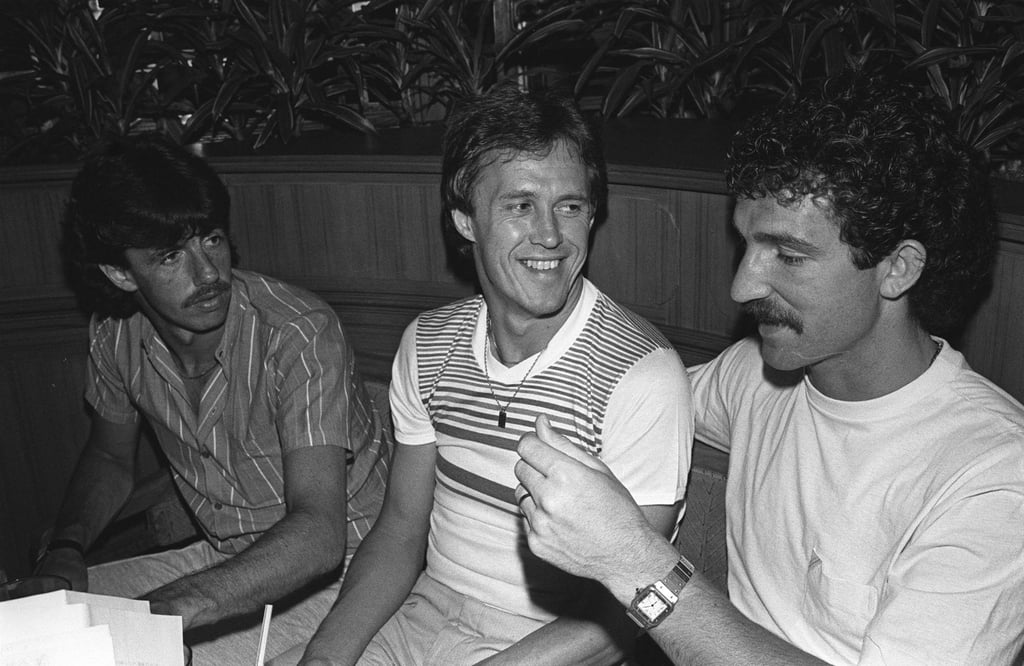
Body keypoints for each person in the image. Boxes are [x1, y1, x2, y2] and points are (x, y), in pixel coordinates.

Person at [514, 73, 1024, 665]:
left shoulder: (993, 479)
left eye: (788, 255)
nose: (742, 285)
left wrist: (633, 561)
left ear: (898, 269)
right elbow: (625, 401)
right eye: (746, 246)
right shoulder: (754, 375)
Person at [285, 85, 692, 665]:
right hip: (423, 612)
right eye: (520, 205)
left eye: (571, 206)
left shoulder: (641, 374)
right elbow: (401, 531)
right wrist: (326, 655)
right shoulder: (427, 346)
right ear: (465, 220)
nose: (550, 235)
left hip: (552, 647)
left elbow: (641, 602)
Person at [35, 135, 392, 665]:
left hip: (351, 579)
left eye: (212, 240)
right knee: (33, 632)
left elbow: (320, 535)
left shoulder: (297, 333)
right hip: (223, 560)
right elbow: (110, 458)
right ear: (119, 273)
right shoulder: (115, 334)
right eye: (171, 256)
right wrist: (67, 546)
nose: (207, 275)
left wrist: (166, 610)